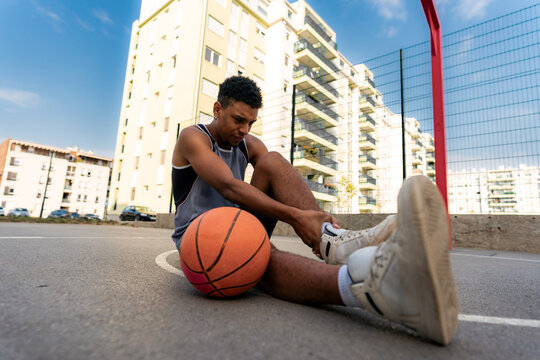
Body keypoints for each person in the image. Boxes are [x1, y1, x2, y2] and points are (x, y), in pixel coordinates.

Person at [171, 76, 458, 345]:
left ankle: (332, 240)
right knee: (255, 255)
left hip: (232, 223)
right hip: (198, 237)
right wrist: (297, 216)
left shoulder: (248, 143)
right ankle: (369, 285)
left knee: (272, 161)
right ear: (218, 109)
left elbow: (270, 178)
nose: (245, 130)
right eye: (238, 120)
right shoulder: (192, 138)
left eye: (251, 122)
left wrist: (311, 221)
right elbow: (230, 188)